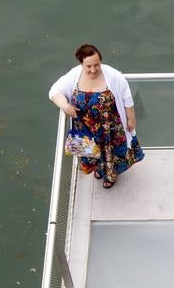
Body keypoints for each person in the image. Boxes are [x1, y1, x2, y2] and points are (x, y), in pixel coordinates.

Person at [48, 43, 144, 188]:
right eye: (88, 66)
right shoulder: (74, 75)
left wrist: (131, 118)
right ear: (81, 64)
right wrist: (65, 105)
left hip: (110, 128)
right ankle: (99, 169)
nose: (93, 70)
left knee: (111, 153)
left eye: (96, 65)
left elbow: (126, 97)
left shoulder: (113, 75)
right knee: (92, 152)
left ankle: (111, 176)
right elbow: (54, 91)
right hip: (86, 128)